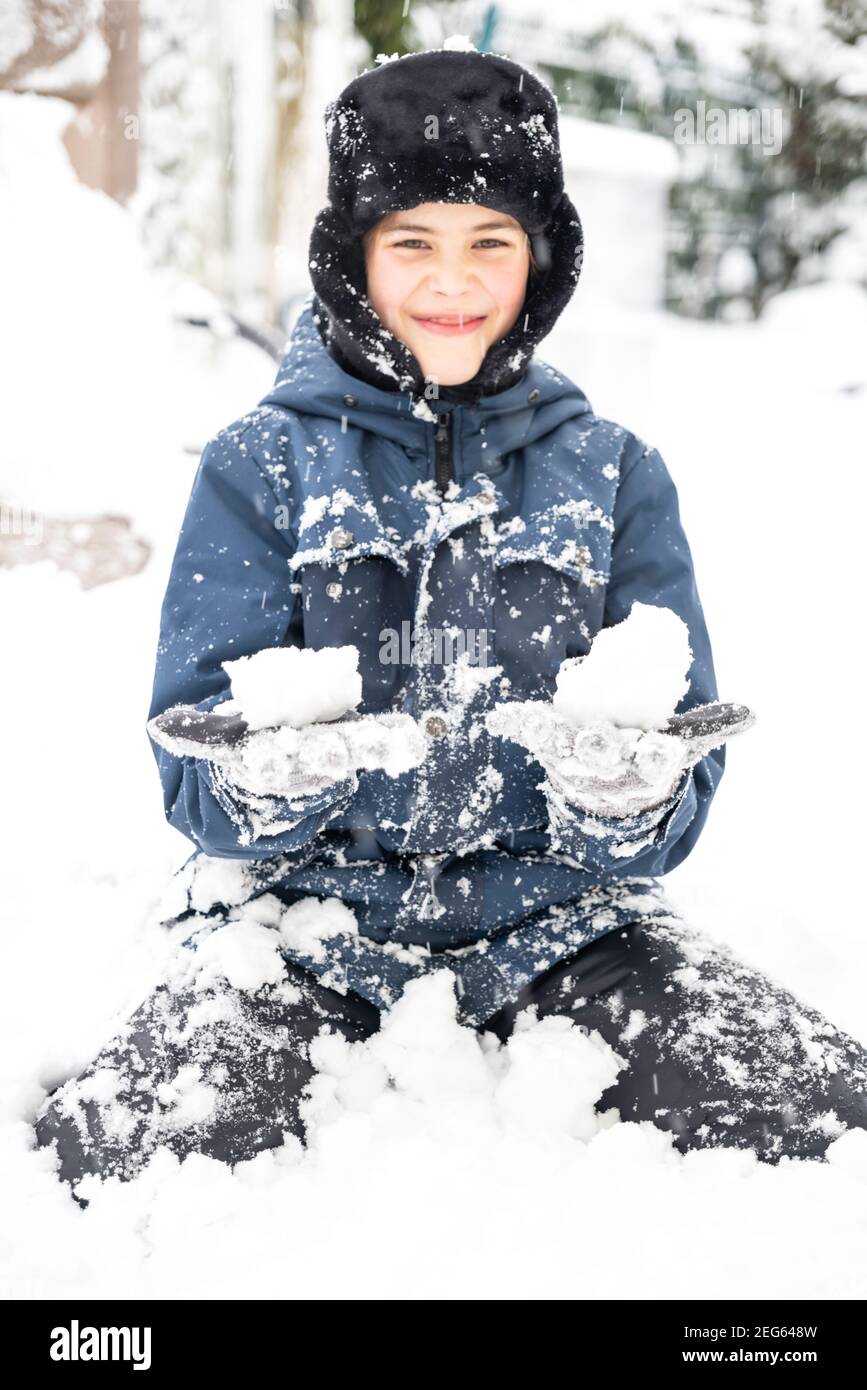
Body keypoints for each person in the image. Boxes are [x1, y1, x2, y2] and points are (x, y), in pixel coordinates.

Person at [33, 45, 867, 1205]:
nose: (453, 280)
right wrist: (267, 785)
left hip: (565, 919)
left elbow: (671, 798)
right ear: (355, 257)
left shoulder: (615, 472)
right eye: (412, 241)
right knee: (117, 1166)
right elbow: (192, 766)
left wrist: (627, 794)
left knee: (826, 1117)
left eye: (492, 243)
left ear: (543, 258)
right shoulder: (259, 465)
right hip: (301, 921)